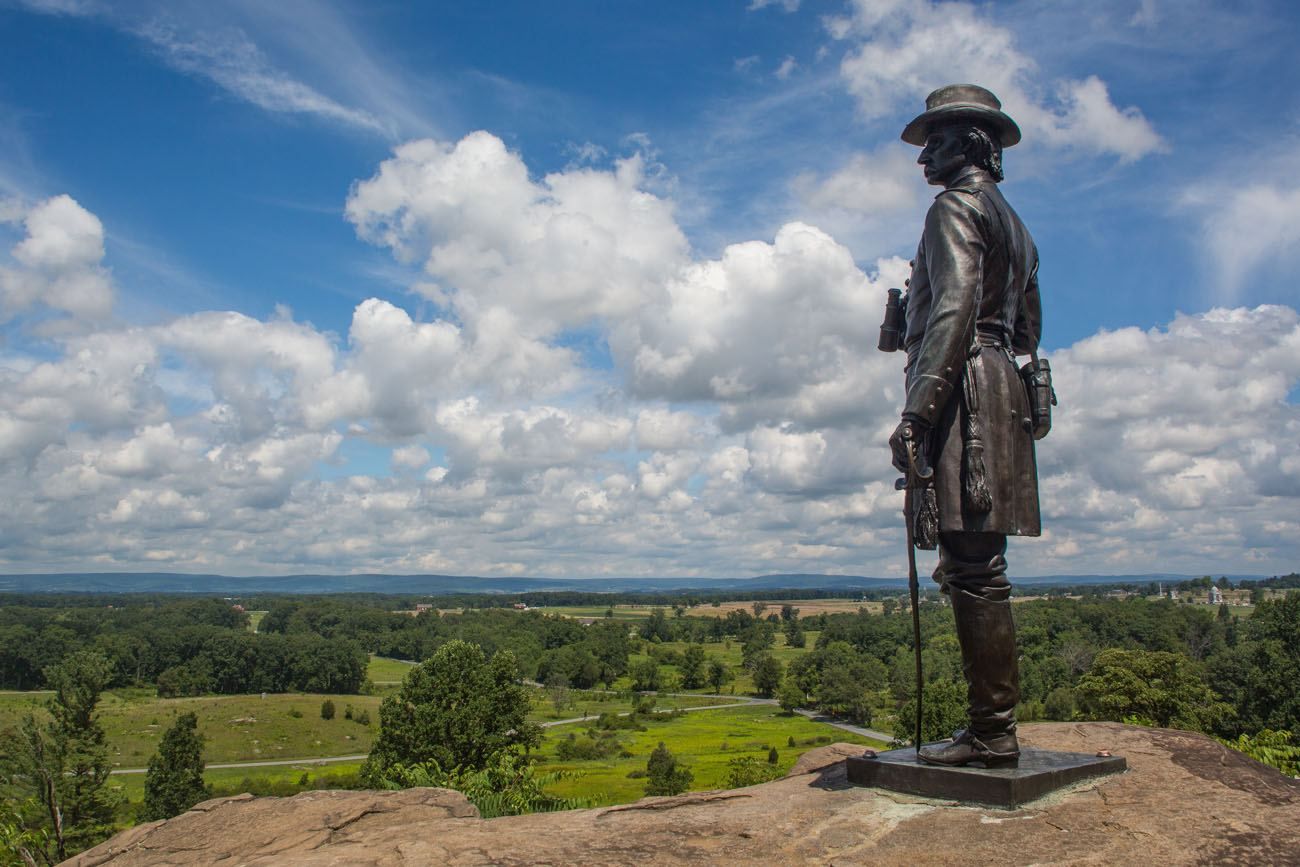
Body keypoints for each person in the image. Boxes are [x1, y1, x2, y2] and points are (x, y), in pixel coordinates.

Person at [888, 84, 1043, 767]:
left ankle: (991, 730)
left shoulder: (953, 207)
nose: (924, 157)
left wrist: (918, 410)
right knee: (982, 567)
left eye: (936, 142)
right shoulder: (1014, 224)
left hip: (967, 396)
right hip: (1000, 382)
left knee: (973, 569)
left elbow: (953, 310)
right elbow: (1029, 326)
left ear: (970, 143)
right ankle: (992, 724)